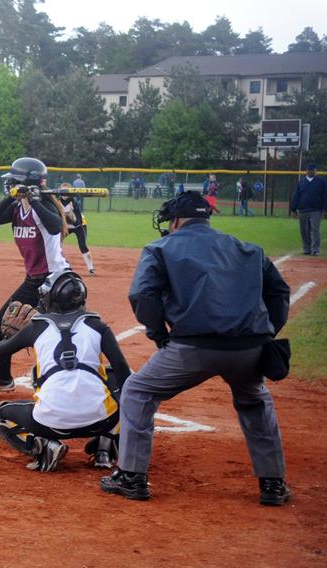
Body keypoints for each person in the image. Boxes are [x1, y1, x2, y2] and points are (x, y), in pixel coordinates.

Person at [101, 191, 291, 505]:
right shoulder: (248, 249)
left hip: (193, 347)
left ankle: (132, 477)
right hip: (249, 350)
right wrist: (265, 334)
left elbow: (141, 294)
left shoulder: (160, 247)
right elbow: (279, 292)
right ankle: (273, 484)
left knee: (137, 391)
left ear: (176, 220)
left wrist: (157, 332)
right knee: (255, 402)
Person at [0, 270, 131, 472]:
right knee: (122, 383)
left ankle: (44, 446)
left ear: (50, 299)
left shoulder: (35, 328)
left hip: (48, 423)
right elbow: (125, 374)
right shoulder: (98, 326)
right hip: (102, 421)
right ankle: (105, 447)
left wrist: (9, 337)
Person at [0, 157, 70, 397]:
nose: (9, 185)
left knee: (50, 335)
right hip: (33, 281)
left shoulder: (45, 207)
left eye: (14, 181)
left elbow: (54, 226)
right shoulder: (16, 208)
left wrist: (36, 199)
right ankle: (4, 378)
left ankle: (59, 383)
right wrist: (16, 196)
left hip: (56, 282)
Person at [290, 165, 327, 256]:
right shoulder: (302, 182)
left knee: (315, 229)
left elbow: (326, 195)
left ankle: (315, 249)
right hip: (303, 210)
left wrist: (325, 209)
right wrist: (293, 209)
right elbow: (296, 195)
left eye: (312, 170)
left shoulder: (321, 181)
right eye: (309, 170)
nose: (311, 171)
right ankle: (306, 249)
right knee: (304, 230)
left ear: (315, 171)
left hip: (316, 210)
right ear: (307, 171)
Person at [58, 187, 96, 275]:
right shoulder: (58, 202)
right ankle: (60, 266)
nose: (64, 195)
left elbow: (79, 221)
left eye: (66, 193)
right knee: (57, 244)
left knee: (82, 245)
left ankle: (91, 269)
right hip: (66, 226)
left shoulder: (74, 202)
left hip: (79, 226)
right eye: (62, 193)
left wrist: (72, 218)